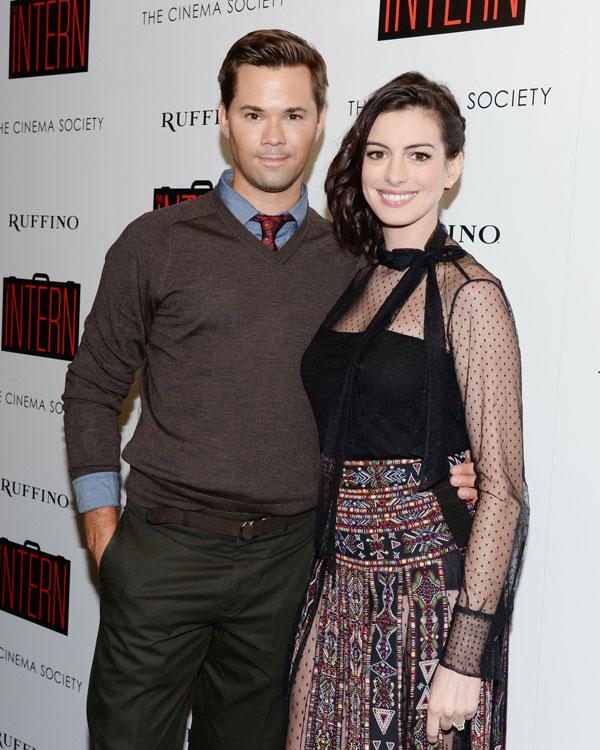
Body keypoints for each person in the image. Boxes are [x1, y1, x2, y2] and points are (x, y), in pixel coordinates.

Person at [62, 32, 478, 750]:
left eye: (292, 115)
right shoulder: (154, 243)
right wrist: (106, 539)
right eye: (254, 114)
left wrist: (451, 465)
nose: (275, 136)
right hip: (165, 551)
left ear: (320, 123)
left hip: (288, 565)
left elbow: (386, 392)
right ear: (223, 121)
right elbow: (92, 388)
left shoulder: (353, 261)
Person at [286, 72, 528, 750]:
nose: (395, 174)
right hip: (335, 588)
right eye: (377, 152)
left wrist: (463, 658)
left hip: (428, 600)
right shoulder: (362, 275)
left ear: (453, 168)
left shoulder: (470, 294)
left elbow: (503, 489)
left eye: (419, 154)